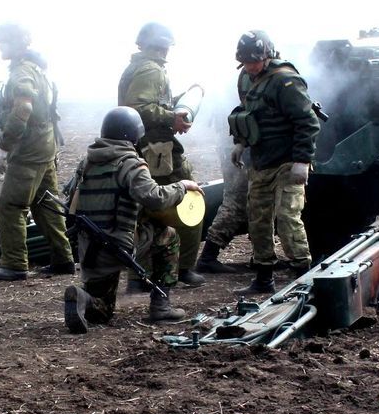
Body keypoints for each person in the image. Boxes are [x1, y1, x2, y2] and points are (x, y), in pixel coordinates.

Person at [63, 106, 202, 330]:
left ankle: (82, 297)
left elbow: (71, 204)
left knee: (101, 312)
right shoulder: (131, 164)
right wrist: (182, 186)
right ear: (134, 134)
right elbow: (155, 197)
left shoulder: (86, 164)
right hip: (118, 247)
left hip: (89, 250)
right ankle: (161, 306)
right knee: (169, 236)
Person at [228, 30, 321, 294]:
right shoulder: (246, 79)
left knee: (287, 217)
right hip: (261, 160)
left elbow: (307, 122)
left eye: (254, 61)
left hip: (287, 162)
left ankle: (303, 275)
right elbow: (248, 115)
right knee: (257, 218)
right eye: (245, 61)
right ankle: (264, 277)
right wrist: (240, 143)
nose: (250, 66)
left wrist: (302, 160)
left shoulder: (285, 81)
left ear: (268, 55)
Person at [117, 22, 205, 289]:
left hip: (146, 147)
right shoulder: (150, 69)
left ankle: (139, 275)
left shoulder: (139, 67)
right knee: (191, 200)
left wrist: (178, 102)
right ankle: (183, 268)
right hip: (157, 150)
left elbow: (147, 104)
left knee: (143, 211)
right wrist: (172, 118)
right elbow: (138, 107)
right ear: (163, 46)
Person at [0, 23, 74, 281]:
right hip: (45, 146)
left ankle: (14, 265)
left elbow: (23, 109)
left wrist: (4, 148)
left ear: (16, 44)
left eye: (3, 42)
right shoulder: (37, 70)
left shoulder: (21, 74)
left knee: (11, 206)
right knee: (46, 205)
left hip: (28, 151)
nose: (0, 47)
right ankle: (64, 259)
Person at [194, 131, 248, 274]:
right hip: (239, 146)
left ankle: (263, 256)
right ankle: (208, 256)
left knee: (255, 200)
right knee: (236, 202)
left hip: (244, 145)